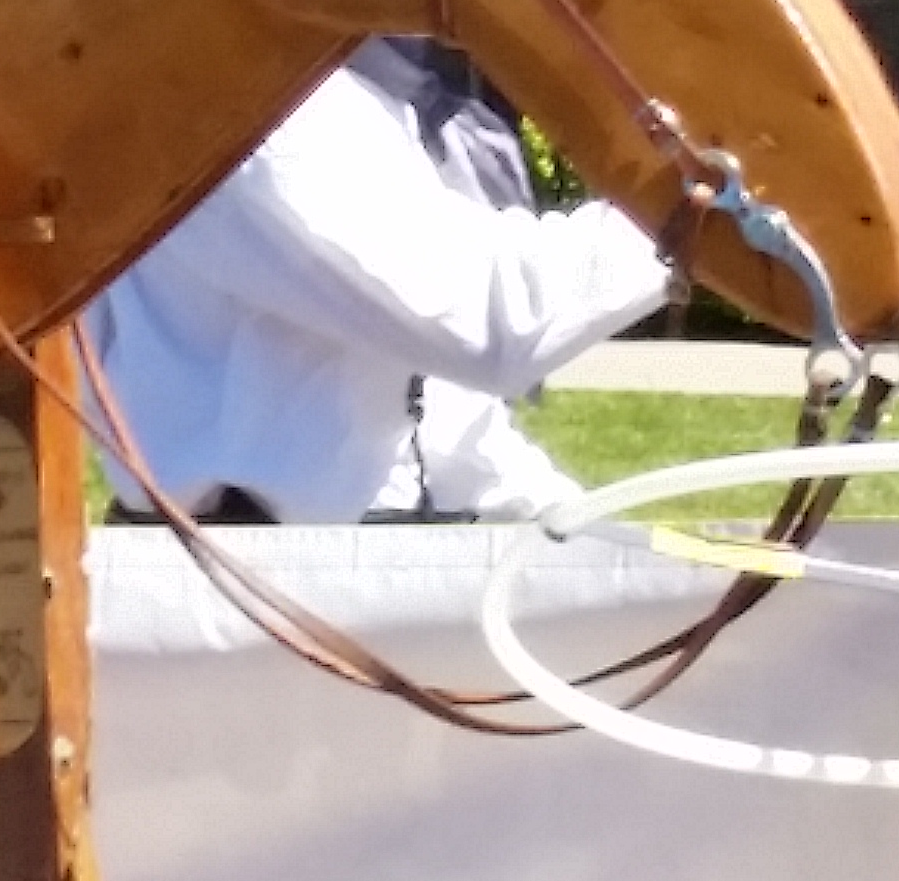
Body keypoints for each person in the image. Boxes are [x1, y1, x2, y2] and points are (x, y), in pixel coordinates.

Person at [80, 40, 669, 525]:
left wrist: (570, 525)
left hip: (361, 572)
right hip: (287, 605)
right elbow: (496, 317)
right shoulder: (246, 101)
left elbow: (440, 416)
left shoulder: (359, 88)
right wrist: (701, 207)